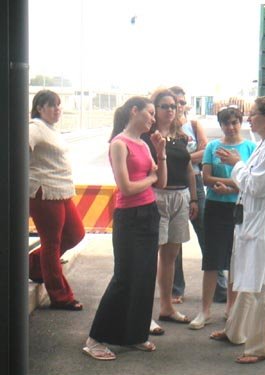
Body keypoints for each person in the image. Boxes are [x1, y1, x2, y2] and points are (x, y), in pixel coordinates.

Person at [209, 96, 265, 364]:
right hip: (252, 218)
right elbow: (252, 182)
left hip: (262, 222)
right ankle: (236, 331)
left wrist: (236, 163)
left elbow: (257, 187)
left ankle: (261, 347)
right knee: (248, 278)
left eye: (253, 114)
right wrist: (236, 176)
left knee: (263, 285)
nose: (249, 119)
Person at [83, 96, 167, 360]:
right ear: (134, 111)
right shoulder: (119, 144)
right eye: (150, 113)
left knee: (144, 278)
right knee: (124, 278)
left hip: (149, 213)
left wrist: (161, 153)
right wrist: (151, 177)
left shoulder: (144, 143)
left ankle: (135, 335)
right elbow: (127, 187)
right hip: (129, 217)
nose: (153, 119)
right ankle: (95, 339)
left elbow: (161, 182)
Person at [188, 106, 256, 330]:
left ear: (241, 122)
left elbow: (252, 181)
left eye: (235, 122)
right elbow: (206, 177)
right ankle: (204, 310)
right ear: (221, 125)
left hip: (238, 208)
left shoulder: (250, 147)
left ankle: (230, 308)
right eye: (226, 123)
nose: (231, 127)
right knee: (212, 260)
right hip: (215, 208)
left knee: (235, 259)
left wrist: (229, 186)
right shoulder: (213, 147)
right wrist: (233, 183)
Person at [168, 85, 228, 304]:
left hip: (196, 184)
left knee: (208, 235)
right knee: (174, 241)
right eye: (175, 103)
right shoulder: (165, 129)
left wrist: (183, 158)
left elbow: (207, 149)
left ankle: (220, 288)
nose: (179, 106)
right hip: (173, 186)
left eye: (182, 102)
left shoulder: (193, 125)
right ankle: (176, 289)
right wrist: (188, 157)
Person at [144, 89, 197, 332]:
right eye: (164, 106)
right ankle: (144, 314)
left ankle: (166, 307)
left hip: (181, 197)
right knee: (148, 258)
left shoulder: (181, 137)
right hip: (156, 197)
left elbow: (188, 169)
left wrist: (194, 198)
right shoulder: (146, 137)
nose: (170, 110)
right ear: (154, 109)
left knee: (170, 257)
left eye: (173, 106)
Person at [28, 90, 86, 311]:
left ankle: (34, 266)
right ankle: (61, 296)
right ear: (39, 108)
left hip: (61, 191)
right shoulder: (34, 128)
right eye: (51, 105)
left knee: (75, 234)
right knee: (51, 243)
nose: (57, 109)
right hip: (44, 192)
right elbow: (18, 148)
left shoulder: (51, 129)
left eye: (59, 105)